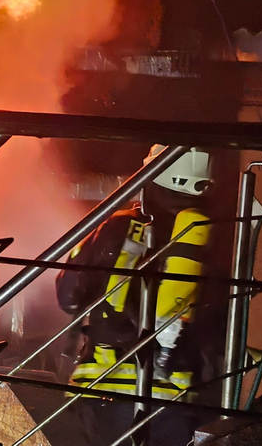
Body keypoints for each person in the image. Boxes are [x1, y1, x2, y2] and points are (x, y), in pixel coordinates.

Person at [56, 144, 213, 445]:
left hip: (104, 391)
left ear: (150, 178)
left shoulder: (116, 226)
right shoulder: (204, 234)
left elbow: (68, 297)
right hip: (175, 402)